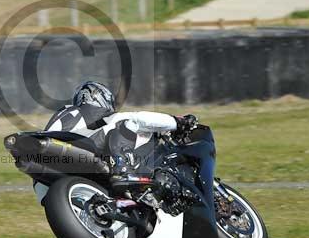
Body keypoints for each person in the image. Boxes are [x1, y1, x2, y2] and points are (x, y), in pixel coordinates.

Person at [44, 81, 196, 189]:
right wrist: (177, 122)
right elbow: (139, 119)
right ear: (101, 98)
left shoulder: (66, 113)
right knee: (129, 123)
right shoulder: (97, 115)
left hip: (51, 160)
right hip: (77, 147)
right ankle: (123, 167)